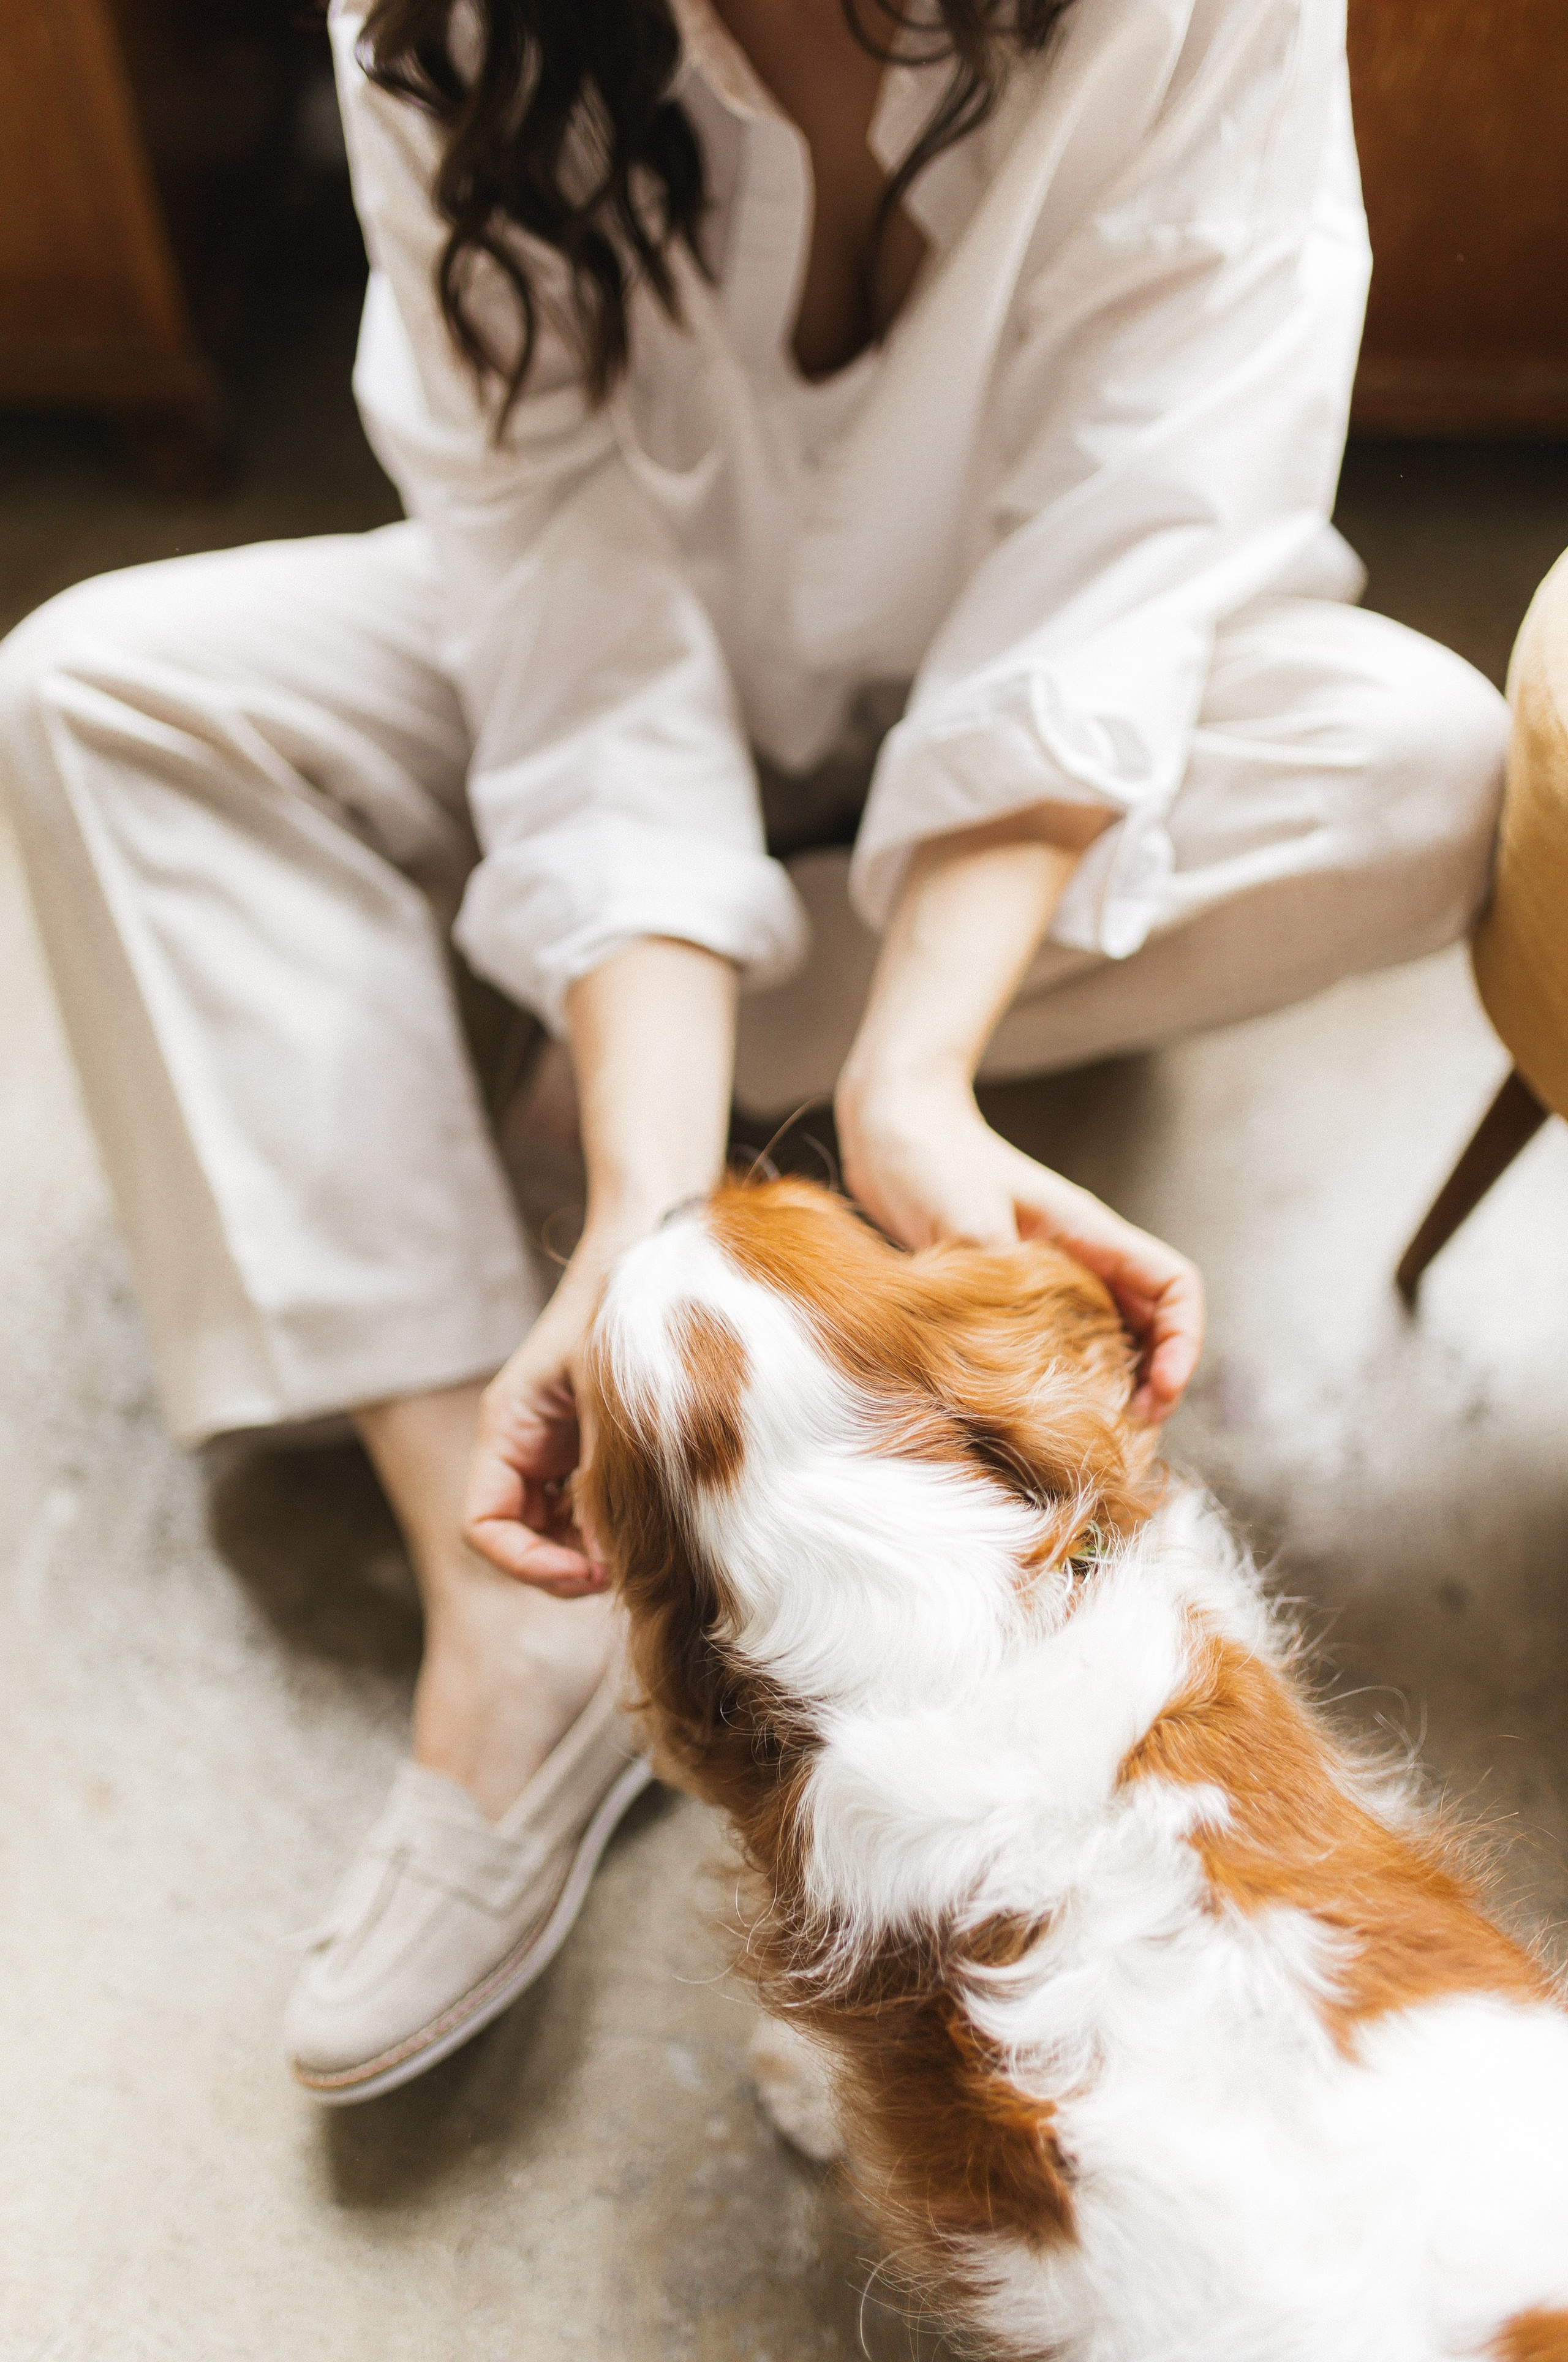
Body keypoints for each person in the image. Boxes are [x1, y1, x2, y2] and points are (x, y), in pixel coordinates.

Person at [0, 0, 1506, 2105]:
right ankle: (508, 1580)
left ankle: (590, 1065)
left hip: (993, 745)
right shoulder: (442, 21)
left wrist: (917, 1082)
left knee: (1422, 762)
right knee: (96, 689)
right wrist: (637, 1205)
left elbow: (1129, 547)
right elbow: (568, 621)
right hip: (621, 700)